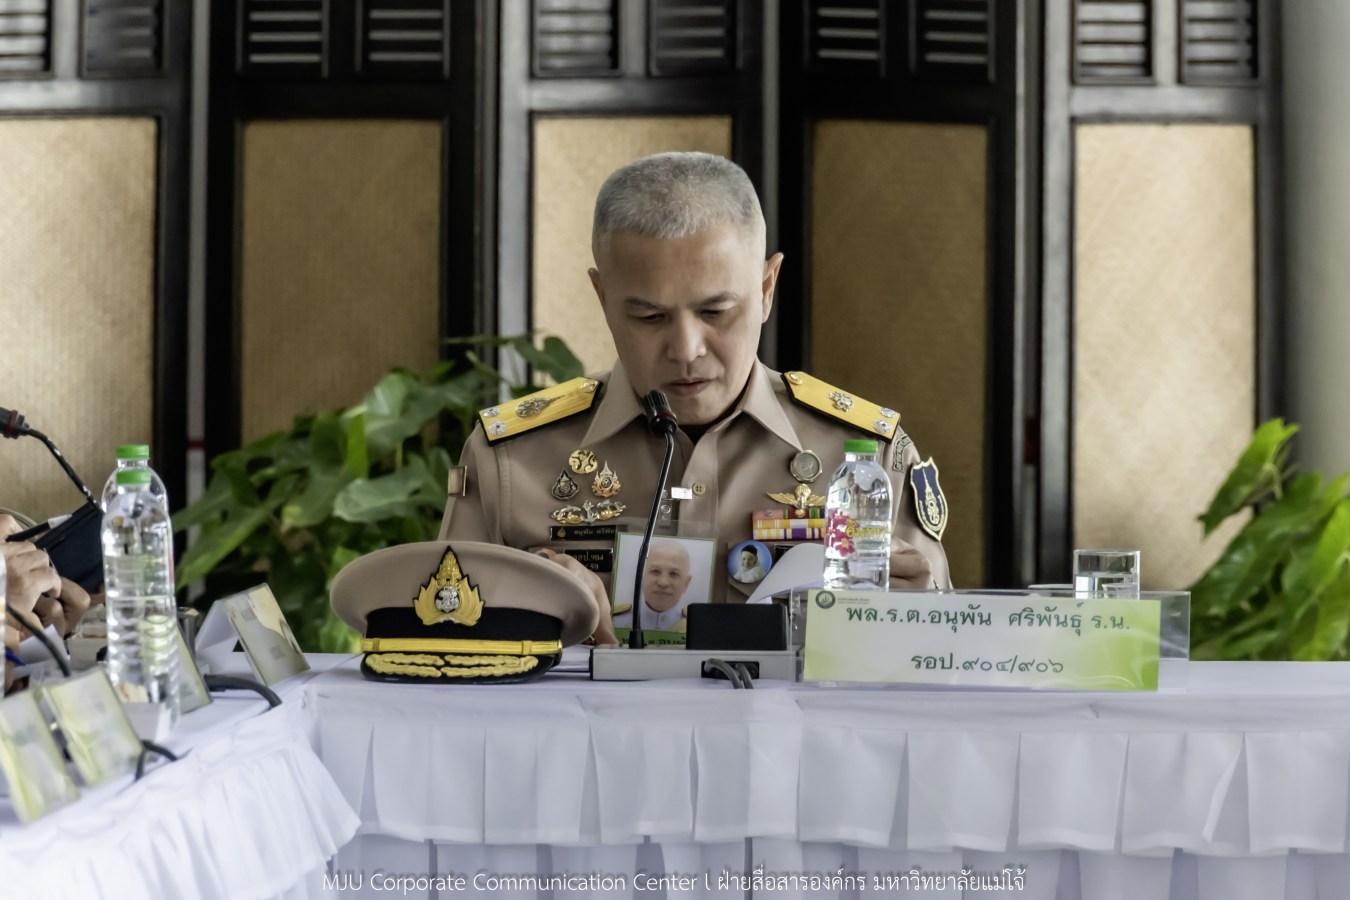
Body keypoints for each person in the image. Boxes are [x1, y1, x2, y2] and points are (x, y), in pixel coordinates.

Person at [440, 152, 951, 633]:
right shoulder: (511, 459)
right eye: (649, 317)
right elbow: (444, 646)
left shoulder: (866, 458)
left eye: (715, 313)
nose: (685, 349)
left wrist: (917, 620)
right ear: (603, 298)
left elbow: (941, 661)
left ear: (767, 287)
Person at [613, 540, 697, 633]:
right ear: (641, 577)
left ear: (686, 583)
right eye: (655, 571)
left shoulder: (696, 627)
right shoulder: (614, 621)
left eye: (674, 574)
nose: (663, 582)